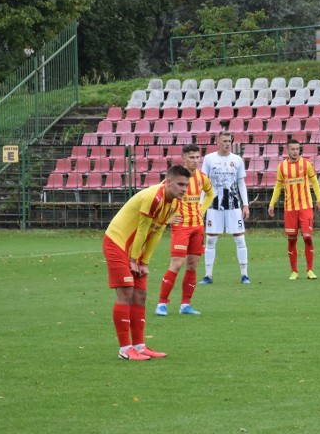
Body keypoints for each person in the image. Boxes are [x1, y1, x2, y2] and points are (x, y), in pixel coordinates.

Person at [103, 164, 190, 360]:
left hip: (135, 249)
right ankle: (125, 349)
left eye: (186, 185)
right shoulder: (154, 197)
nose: (184, 189)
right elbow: (142, 229)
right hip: (117, 242)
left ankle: (139, 346)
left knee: (140, 295)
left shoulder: (174, 203)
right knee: (126, 291)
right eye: (180, 184)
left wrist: (144, 262)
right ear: (168, 182)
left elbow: (157, 232)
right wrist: (134, 259)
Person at [156, 145, 216, 316]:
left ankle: (185, 305)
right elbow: (159, 196)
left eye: (198, 157)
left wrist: (202, 210)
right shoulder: (175, 179)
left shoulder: (202, 177)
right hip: (181, 226)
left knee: (192, 265)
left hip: (197, 226)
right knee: (176, 264)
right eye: (192, 158)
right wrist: (166, 218)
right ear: (184, 159)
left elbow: (211, 194)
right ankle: (161, 304)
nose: (195, 161)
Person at [267, 139, 320, 280]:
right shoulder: (282, 167)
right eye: (292, 149)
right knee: (292, 239)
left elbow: (315, 182)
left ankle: (310, 270)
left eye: (297, 149)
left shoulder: (307, 164)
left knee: (307, 237)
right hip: (290, 208)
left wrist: (319, 199)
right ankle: (294, 271)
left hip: (305, 206)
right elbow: (278, 186)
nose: (295, 151)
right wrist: (272, 203)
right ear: (287, 150)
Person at [199, 131, 251, 284]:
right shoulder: (209, 159)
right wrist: (201, 205)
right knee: (210, 239)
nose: (227, 144)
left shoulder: (237, 160)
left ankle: (244, 275)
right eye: (225, 141)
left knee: (240, 238)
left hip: (233, 205)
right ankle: (208, 275)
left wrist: (245, 204)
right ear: (218, 142)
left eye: (229, 141)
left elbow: (241, 183)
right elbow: (204, 184)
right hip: (214, 205)